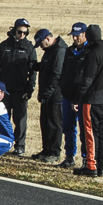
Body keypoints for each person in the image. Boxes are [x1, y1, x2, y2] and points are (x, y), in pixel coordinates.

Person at [72, 23, 103, 177]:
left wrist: (77, 98)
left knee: (90, 133)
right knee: (101, 133)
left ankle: (91, 166)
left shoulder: (93, 54)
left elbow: (87, 80)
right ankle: (101, 165)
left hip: (92, 99)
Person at [0, 18, 36, 155]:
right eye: (20, 32)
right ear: (14, 31)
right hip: (4, 91)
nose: (22, 35)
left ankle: (20, 146)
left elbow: (33, 72)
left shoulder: (29, 48)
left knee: (20, 119)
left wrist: (30, 89)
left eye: (25, 33)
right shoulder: (4, 46)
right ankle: (4, 143)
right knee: (3, 118)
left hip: (21, 90)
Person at [31, 29, 66, 163]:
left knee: (54, 124)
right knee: (45, 123)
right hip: (47, 95)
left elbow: (56, 75)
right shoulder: (50, 51)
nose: (40, 47)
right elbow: (48, 67)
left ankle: (54, 152)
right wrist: (36, 66)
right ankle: (46, 149)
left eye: (41, 43)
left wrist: (47, 93)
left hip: (56, 96)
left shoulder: (59, 52)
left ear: (48, 39)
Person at [57, 23, 88, 169]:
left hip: (83, 97)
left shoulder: (89, 51)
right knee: (68, 127)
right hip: (68, 96)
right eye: (73, 35)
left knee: (84, 129)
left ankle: (86, 158)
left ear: (85, 34)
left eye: (78, 35)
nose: (75, 38)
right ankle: (69, 156)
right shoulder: (69, 51)